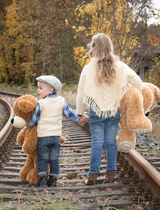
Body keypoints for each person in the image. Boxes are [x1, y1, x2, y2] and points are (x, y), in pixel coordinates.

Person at [76, 33, 142, 185]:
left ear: (93, 48)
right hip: (114, 111)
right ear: (110, 48)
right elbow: (138, 81)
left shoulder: (88, 68)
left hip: (96, 111)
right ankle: (110, 175)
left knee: (97, 143)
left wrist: (80, 113)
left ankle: (93, 176)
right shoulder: (120, 65)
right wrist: (134, 98)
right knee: (111, 142)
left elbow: (81, 94)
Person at [27, 75, 86, 187]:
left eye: (40, 88)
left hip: (43, 137)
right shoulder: (61, 101)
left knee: (43, 158)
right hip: (56, 137)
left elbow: (35, 118)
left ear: (50, 90)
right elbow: (70, 114)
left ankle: (43, 180)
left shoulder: (41, 103)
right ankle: (53, 180)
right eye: (38, 88)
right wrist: (80, 119)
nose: (38, 90)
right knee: (54, 159)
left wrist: (29, 125)